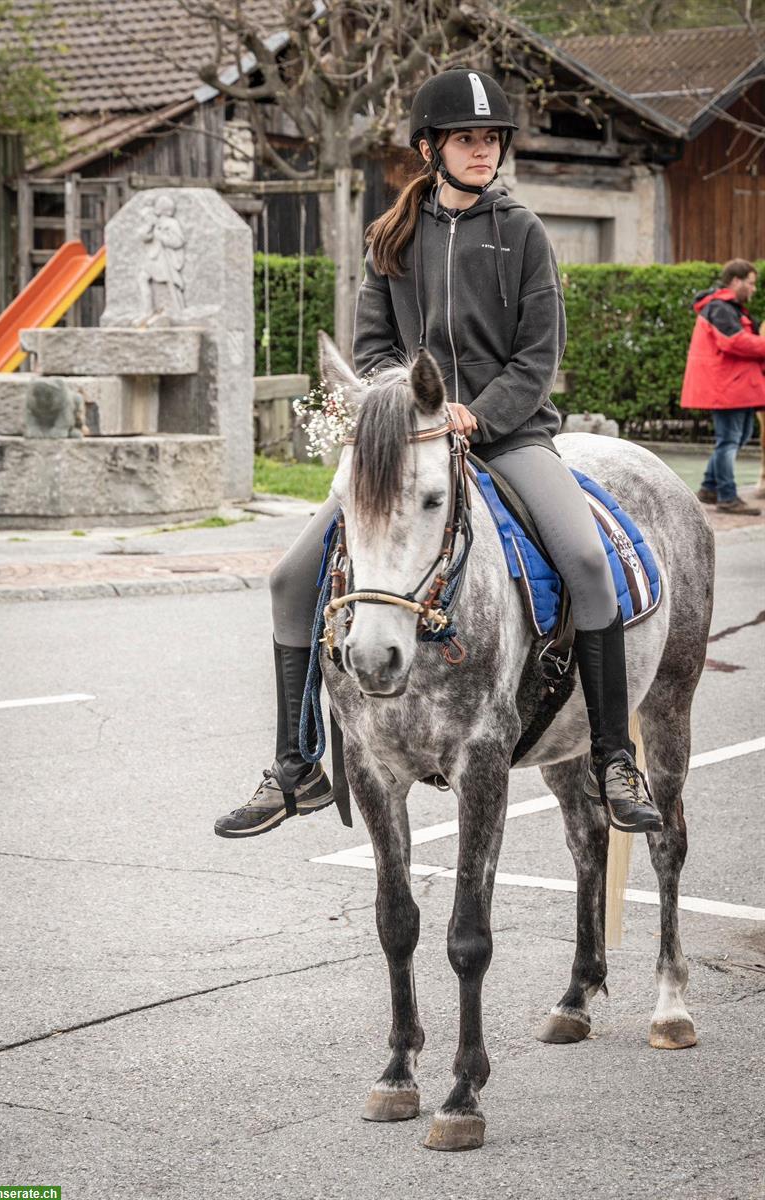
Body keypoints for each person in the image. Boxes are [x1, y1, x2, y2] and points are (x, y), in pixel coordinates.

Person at [214, 68, 662, 841]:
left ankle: (614, 757)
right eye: (467, 138)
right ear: (431, 148)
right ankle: (296, 764)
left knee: (589, 564)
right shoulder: (393, 234)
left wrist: (475, 415)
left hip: (509, 435)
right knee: (291, 577)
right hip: (411, 440)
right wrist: (413, 414)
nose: (483, 150)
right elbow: (373, 349)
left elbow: (537, 359)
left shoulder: (522, 230)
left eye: (491, 139)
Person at [681, 259, 765, 516]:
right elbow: (734, 341)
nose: (753, 290)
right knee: (729, 441)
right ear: (736, 281)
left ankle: (709, 486)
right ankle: (727, 497)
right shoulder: (720, 307)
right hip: (727, 388)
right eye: (750, 284)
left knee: (735, 437)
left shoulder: (726, 307)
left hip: (734, 387)